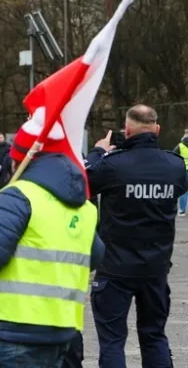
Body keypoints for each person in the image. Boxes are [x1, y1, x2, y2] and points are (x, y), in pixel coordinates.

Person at [0, 113, 105, 367]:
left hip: (12, 333)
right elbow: (95, 255)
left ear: (19, 160)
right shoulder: (83, 206)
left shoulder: (18, 196)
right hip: (60, 332)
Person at [85, 104, 187, 368]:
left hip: (115, 268)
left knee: (112, 342)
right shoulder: (174, 166)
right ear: (158, 129)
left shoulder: (112, 166)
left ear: (126, 131)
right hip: (155, 269)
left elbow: (79, 183)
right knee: (154, 338)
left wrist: (98, 151)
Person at [173, 129, 188, 215]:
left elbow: (174, 157)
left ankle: (182, 210)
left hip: (184, 170)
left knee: (184, 191)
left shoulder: (180, 146)